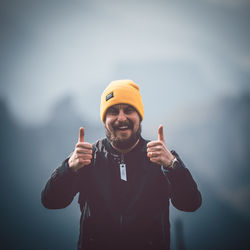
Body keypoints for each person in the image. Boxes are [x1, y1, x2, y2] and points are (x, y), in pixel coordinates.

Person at [41, 79, 202, 250]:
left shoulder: (160, 157)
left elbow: (190, 203)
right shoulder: (87, 158)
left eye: (129, 110)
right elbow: (51, 201)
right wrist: (69, 168)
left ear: (139, 117)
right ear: (104, 119)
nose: (121, 118)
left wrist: (172, 166)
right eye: (113, 111)